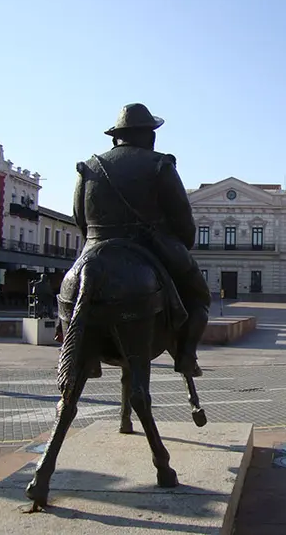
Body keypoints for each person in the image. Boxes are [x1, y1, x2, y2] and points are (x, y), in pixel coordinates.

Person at [72, 103, 210, 377]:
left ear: (115, 137)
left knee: (71, 287)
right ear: (150, 136)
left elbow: (79, 219)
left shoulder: (87, 167)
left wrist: (95, 245)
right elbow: (182, 218)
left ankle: (74, 345)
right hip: (148, 246)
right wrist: (181, 244)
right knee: (199, 296)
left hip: (95, 249)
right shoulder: (160, 164)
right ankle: (186, 356)